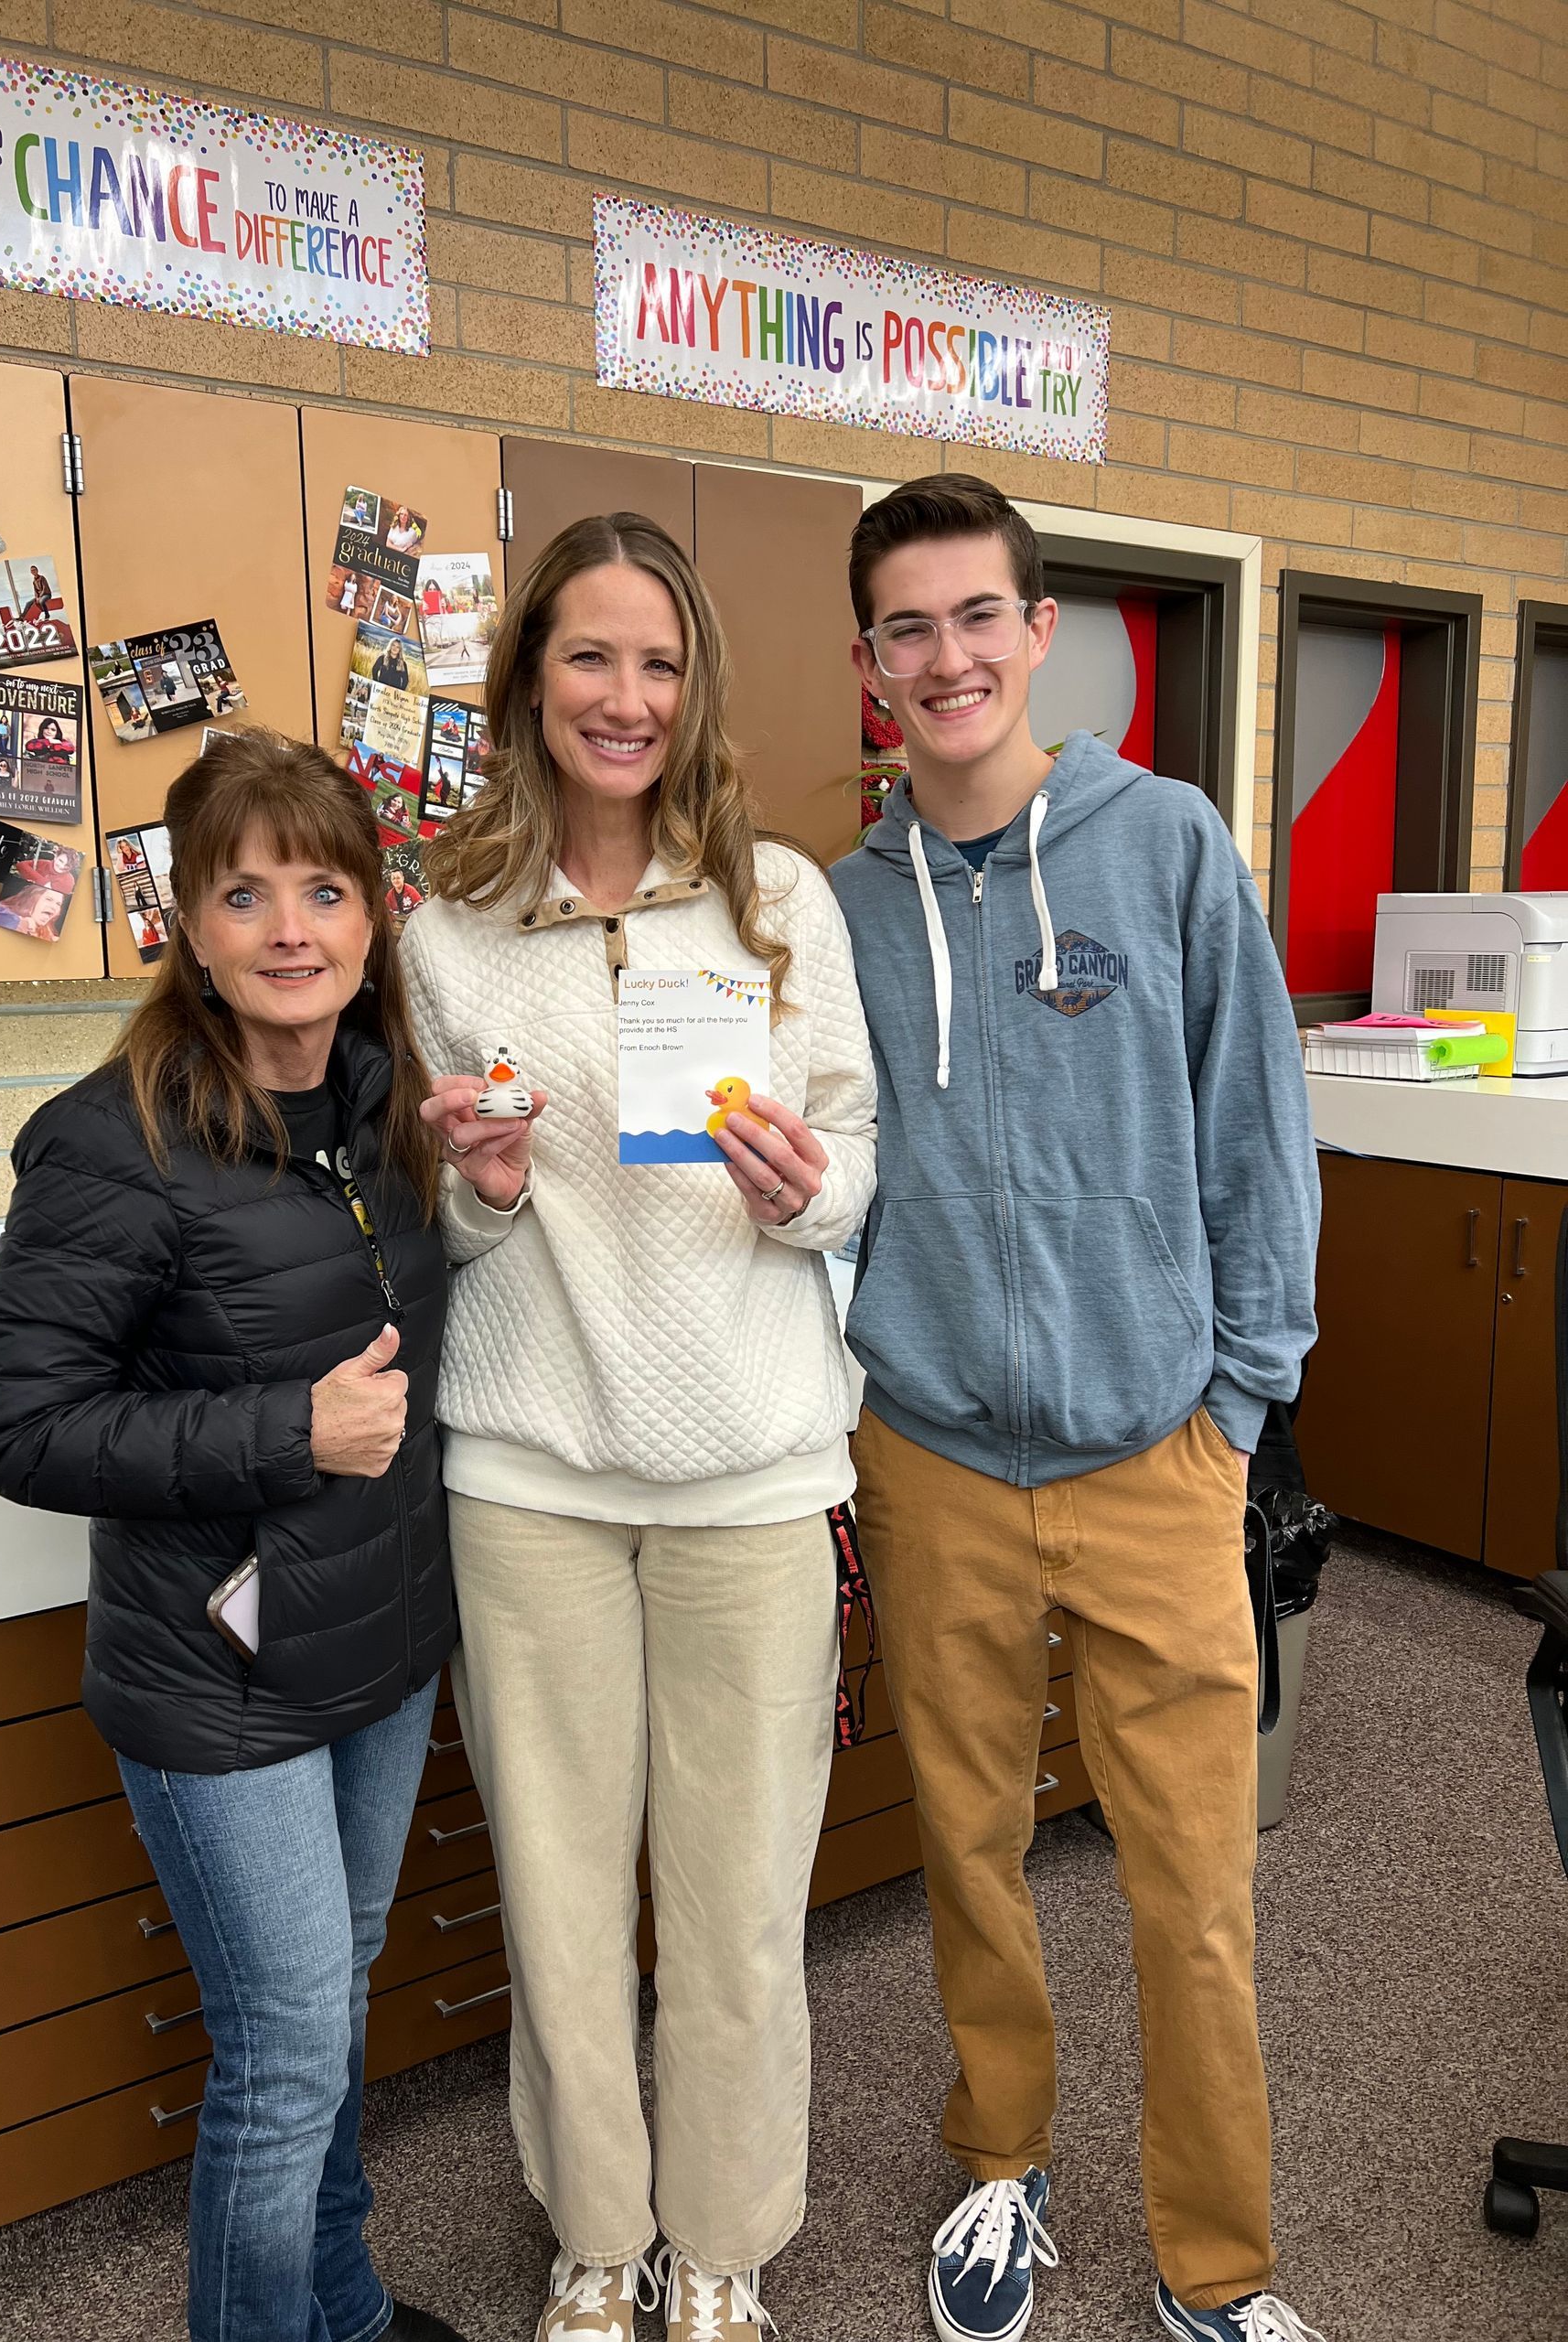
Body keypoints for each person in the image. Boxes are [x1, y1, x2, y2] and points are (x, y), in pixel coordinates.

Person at [827, 475, 1324, 2342]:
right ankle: (1003, 2164)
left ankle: (1217, 2261)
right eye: (905, 627)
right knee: (969, 1852)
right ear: (869, 665)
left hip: (1155, 1454)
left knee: (1194, 1887)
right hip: (937, 1446)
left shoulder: (1166, 844)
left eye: (976, 616)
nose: (943, 656)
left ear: (1041, 634)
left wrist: (1239, 1404)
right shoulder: (845, 907)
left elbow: (1259, 1136)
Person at [401, 512, 877, 2342]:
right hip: (529, 1473)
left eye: (659, 663)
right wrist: (489, 1187)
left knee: (746, 1902)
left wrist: (807, 1184)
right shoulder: (446, 932)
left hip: (756, 1473)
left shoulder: (778, 902)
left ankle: (725, 2241)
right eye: (590, 657)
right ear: (529, 678)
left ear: (699, 692)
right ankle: (599, 2231)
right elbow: (442, 1221)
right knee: (559, 1895)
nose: (626, 696)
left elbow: (858, 1164)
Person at [0, 731, 467, 2342]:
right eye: (245, 893)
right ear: (185, 920)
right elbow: (24, 1427)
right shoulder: (110, 1140)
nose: (290, 928)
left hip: (377, 1645)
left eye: (325, 887)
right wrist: (284, 1432)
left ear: (375, 915)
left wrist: (497, 1200)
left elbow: (409, 1332)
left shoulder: (381, 1103)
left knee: (332, 2015)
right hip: (218, 1674)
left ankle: (348, 2309)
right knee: (285, 2050)